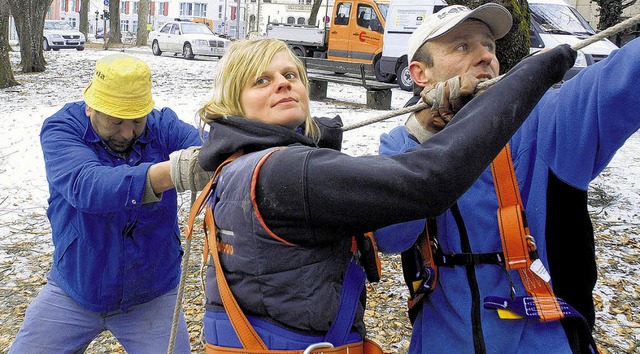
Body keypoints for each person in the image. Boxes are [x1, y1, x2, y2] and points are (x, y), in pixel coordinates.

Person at [192, 37, 575, 353]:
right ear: (232, 100)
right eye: (261, 81)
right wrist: (531, 74)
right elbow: (429, 180)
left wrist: (421, 126)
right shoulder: (285, 172)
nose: (282, 82)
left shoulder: (235, 164)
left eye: (290, 74)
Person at [374, 4, 640, 353]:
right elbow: (391, 238)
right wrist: (422, 131)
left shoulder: (546, 118)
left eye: (490, 46)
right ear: (420, 74)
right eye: (462, 46)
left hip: (542, 340)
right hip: (439, 341)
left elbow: (624, 77)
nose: (486, 56)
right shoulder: (401, 143)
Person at [9, 54, 210, 353]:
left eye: (137, 121)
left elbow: (212, 149)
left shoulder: (162, 125)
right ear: (91, 106)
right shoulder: (63, 129)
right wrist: (168, 174)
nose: (127, 133)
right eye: (116, 122)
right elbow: (87, 186)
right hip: (75, 290)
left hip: (152, 292)